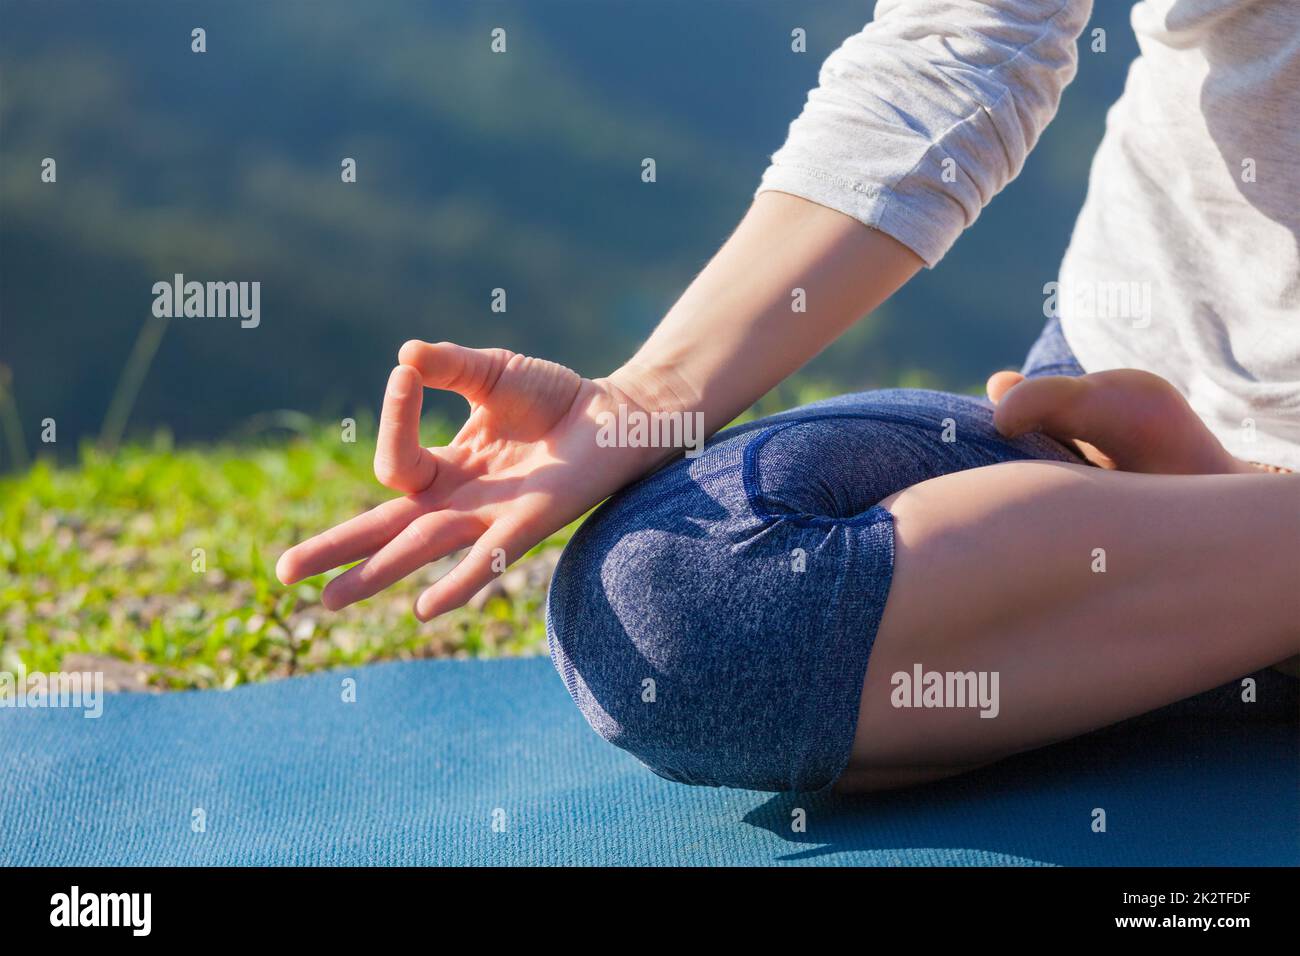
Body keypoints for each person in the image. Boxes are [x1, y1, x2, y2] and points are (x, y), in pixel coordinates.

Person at [278, 0, 1299, 793]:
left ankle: (1235, 549)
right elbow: (964, 38)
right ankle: (1228, 564)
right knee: (678, 599)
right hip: (1093, 393)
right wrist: (650, 394)